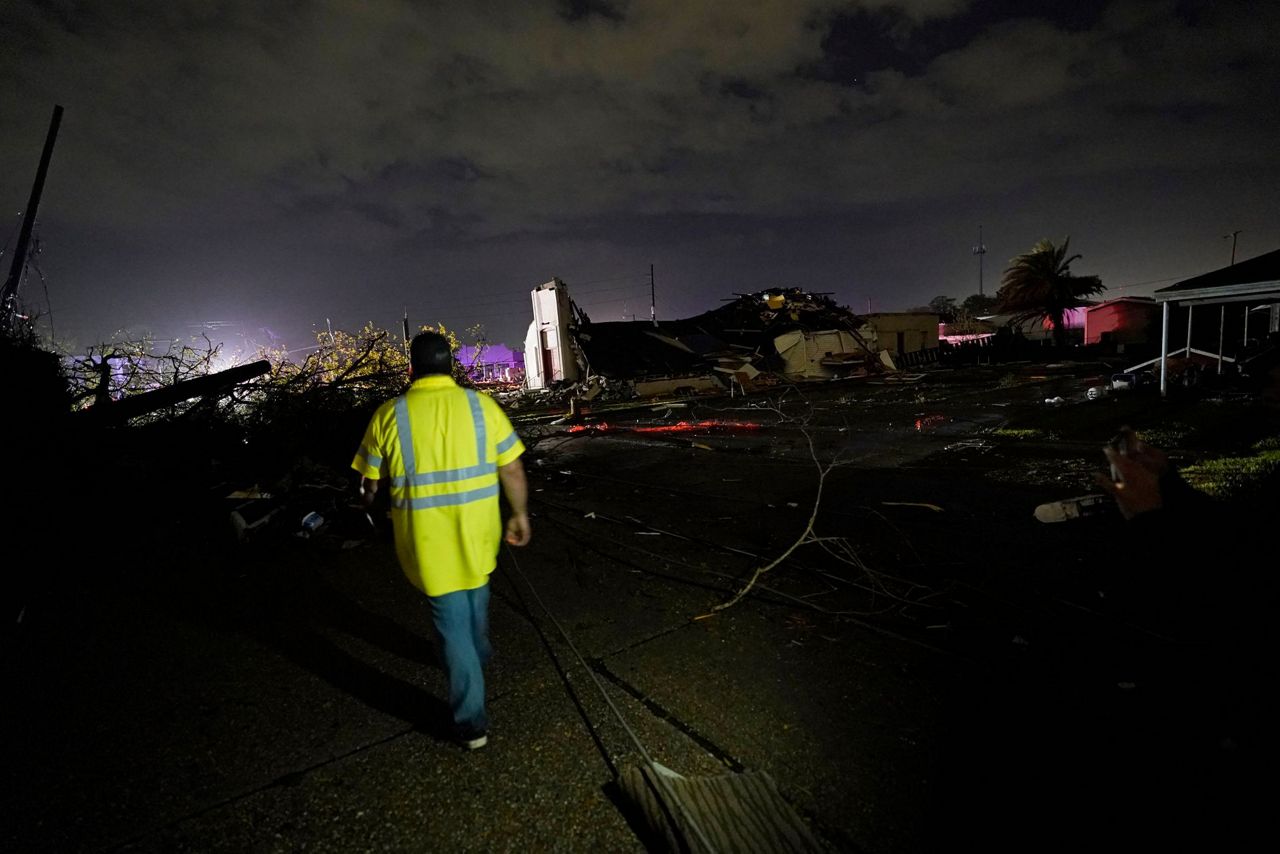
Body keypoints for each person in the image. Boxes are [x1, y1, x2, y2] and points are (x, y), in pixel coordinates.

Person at [351, 332, 531, 750]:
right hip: (479, 538)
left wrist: (366, 501)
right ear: (451, 366)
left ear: (411, 369)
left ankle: (472, 724)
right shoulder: (481, 406)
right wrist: (520, 514)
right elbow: (513, 470)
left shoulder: (390, 415)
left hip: (429, 546)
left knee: (452, 632)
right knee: (475, 600)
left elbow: (367, 482)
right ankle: (479, 652)